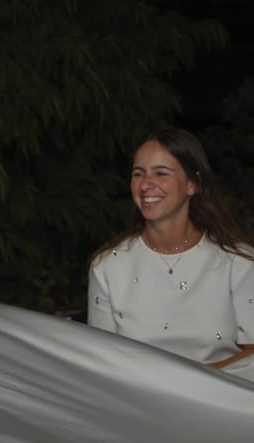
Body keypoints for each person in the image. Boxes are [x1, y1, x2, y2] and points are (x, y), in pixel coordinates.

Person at [88, 128, 254, 378]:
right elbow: (101, 362)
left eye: (161, 173)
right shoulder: (107, 268)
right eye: (138, 173)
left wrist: (186, 382)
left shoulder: (239, 263)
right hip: (135, 399)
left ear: (192, 184)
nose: (145, 184)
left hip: (222, 399)